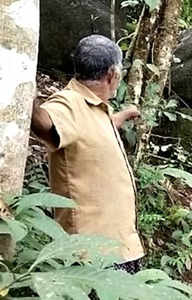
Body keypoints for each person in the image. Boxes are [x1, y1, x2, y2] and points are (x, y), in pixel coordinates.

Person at [31, 34, 144, 273]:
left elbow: (88, 132)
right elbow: (44, 122)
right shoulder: (69, 102)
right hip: (93, 256)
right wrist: (24, 88)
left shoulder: (92, 107)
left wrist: (121, 116)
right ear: (113, 74)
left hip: (120, 245)